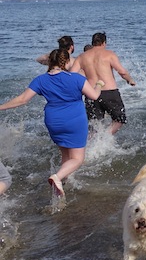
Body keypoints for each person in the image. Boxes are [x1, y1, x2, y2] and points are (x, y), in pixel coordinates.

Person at [0, 48, 104, 197]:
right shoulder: (76, 78)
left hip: (54, 122)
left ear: (50, 62)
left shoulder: (41, 80)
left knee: (65, 155)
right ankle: (58, 177)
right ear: (67, 61)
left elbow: (22, 100)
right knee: (77, 159)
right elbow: (93, 96)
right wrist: (99, 84)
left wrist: (1, 107)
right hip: (74, 121)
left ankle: (62, 185)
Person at [70, 32, 135, 135]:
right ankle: (105, 137)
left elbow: (71, 75)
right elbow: (122, 72)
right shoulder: (109, 54)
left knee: (94, 124)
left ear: (93, 42)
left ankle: (92, 146)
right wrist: (130, 80)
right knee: (119, 119)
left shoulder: (81, 57)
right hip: (109, 92)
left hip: (91, 93)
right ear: (104, 43)